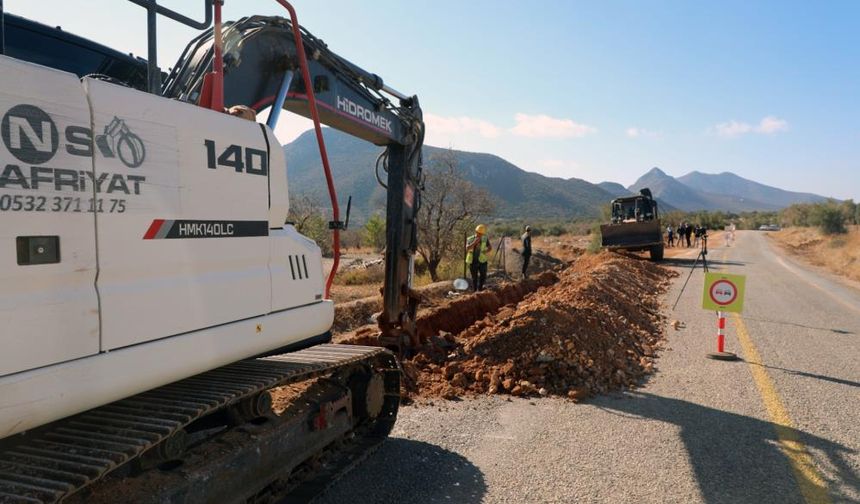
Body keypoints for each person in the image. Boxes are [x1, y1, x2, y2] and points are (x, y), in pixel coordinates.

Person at [466, 224, 491, 291]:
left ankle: (480, 290)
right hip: (473, 261)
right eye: (479, 233)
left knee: (483, 276)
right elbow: (467, 248)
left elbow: (490, 247)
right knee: (474, 278)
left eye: (482, 234)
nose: (480, 235)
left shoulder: (485, 239)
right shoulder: (470, 239)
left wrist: (486, 251)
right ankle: (475, 292)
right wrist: (474, 243)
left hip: (482, 260)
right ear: (476, 232)